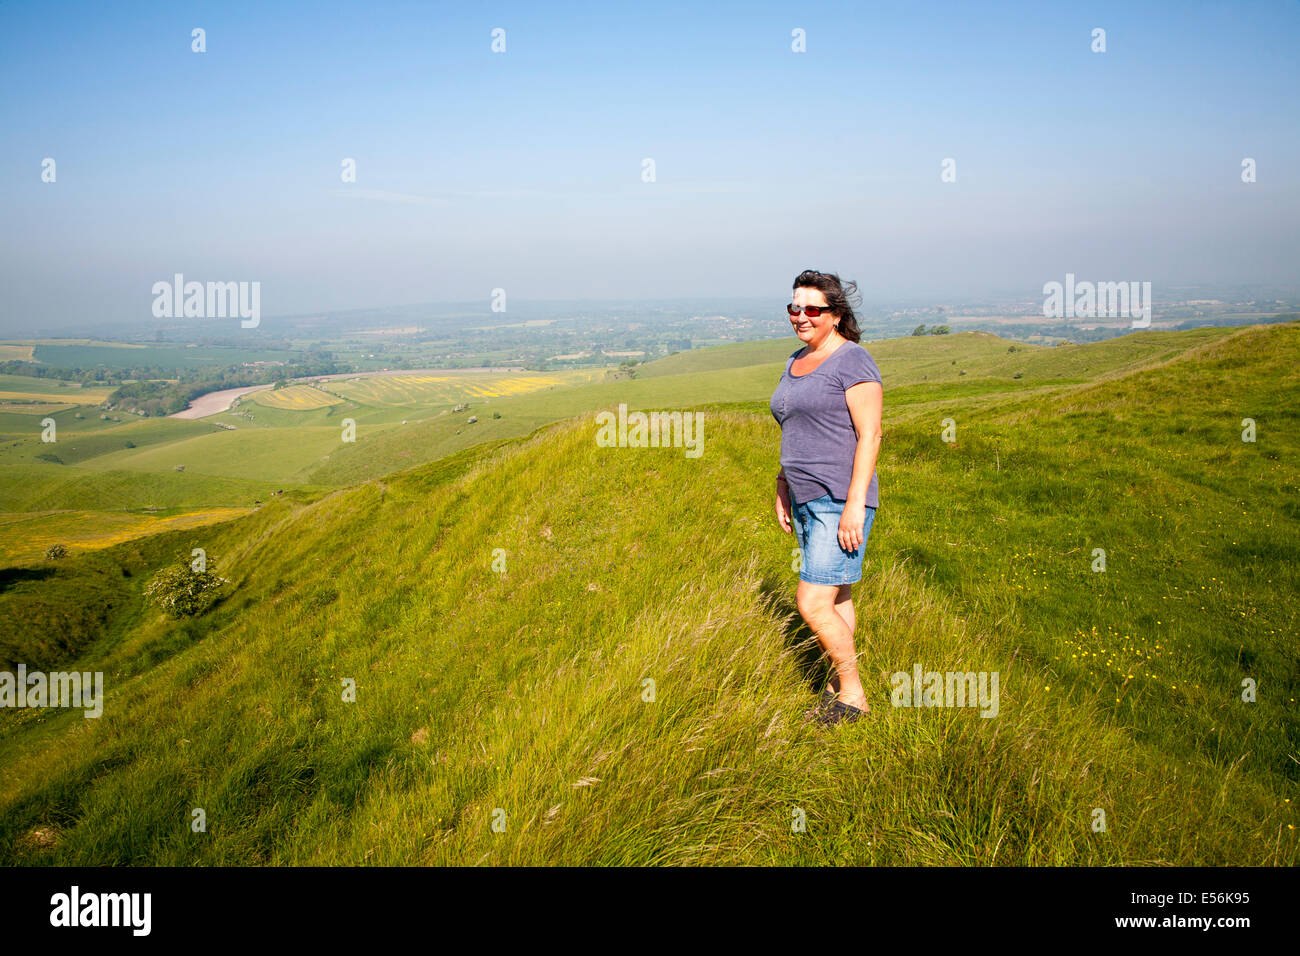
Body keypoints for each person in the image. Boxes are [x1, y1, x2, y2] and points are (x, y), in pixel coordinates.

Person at [769, 269, 884, 727]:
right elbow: (796, 426)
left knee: (811, 602)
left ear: (835, 315)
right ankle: (837, 688)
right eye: (795, 307)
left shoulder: (853, 361)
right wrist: (782, 482)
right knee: (835, 598)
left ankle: (853, 696)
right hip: (805, 496)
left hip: (839, 498)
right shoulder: (796, 360)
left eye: (813, 308)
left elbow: (871, 434)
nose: (802, 316)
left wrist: (855, 504)